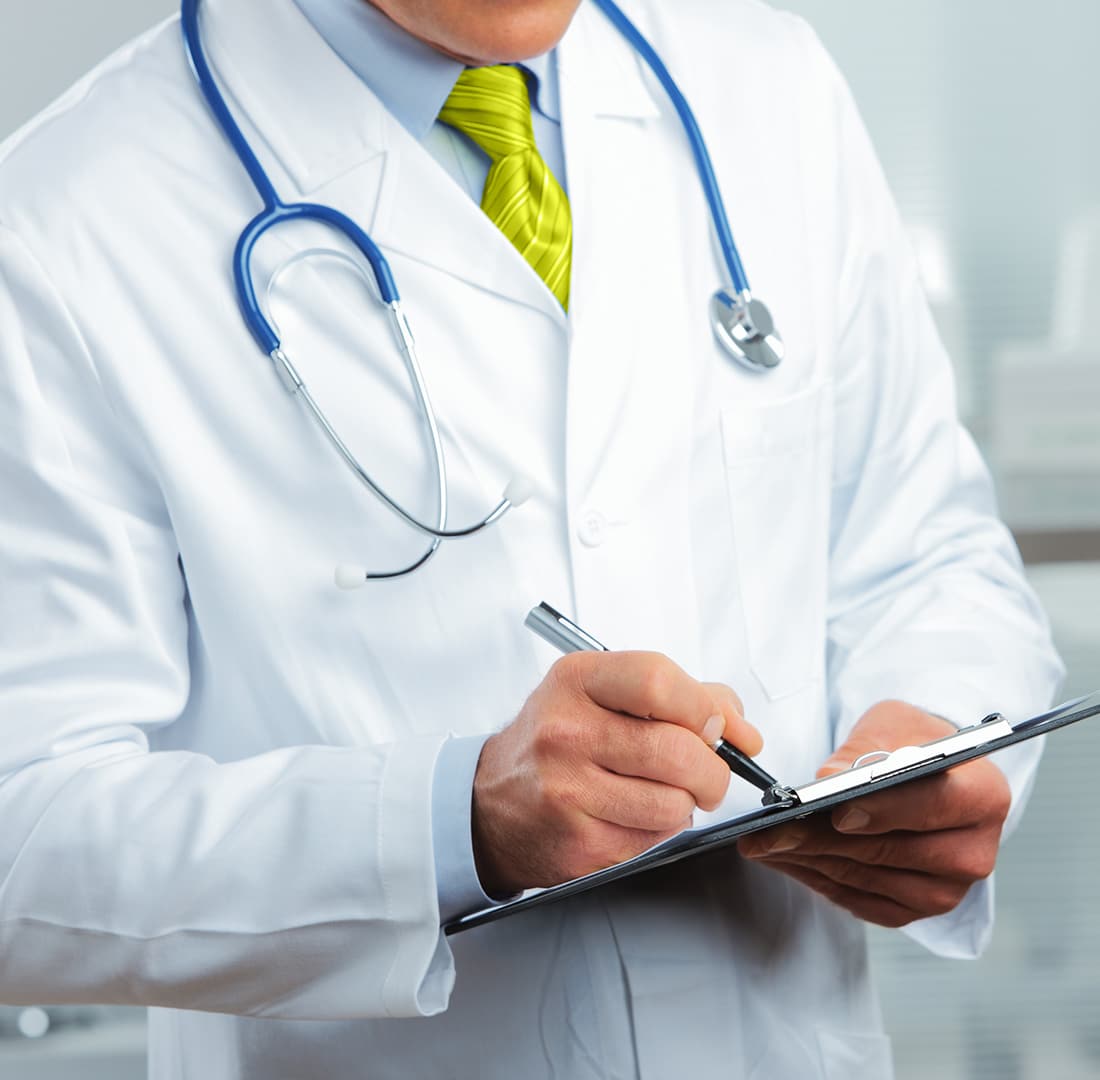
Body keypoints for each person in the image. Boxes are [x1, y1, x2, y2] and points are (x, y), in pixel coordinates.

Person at [0, 0, 1063, 1077]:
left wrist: (928, 752)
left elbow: (926, 549)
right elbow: (20, 832)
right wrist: (450, 824)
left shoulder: (764, 86)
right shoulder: (60, 219)